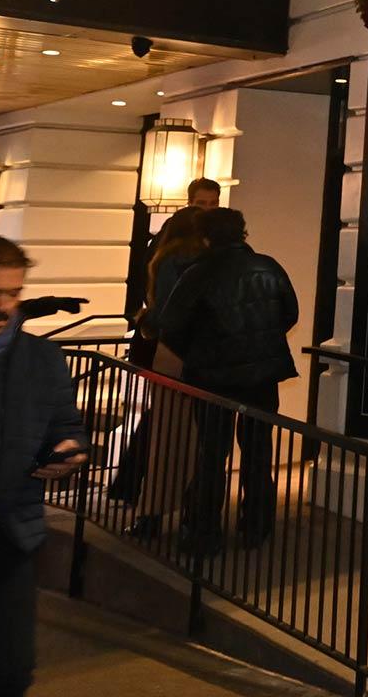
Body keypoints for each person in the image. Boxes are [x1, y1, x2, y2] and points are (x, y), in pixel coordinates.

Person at [0, 236, 87, 696]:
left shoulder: (42, 359)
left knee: (8, 670)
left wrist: (70, 451)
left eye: (13, 292)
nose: (4, 306)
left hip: (9, 533)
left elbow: (67, 426)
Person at [158, 207, 298, 553]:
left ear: (207, 237)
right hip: (262, 374)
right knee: (258, 450)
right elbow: (289, 313)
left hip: (213, 376)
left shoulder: (198, 274)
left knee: (212, 453)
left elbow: (171, 325)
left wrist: (198, 352)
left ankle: (205, 531)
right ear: (242, 233)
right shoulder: (269, 267)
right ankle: (256, 525)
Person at [112, 207, 211, 527]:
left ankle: (153, 510)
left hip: (167, 352)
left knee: (166, 435)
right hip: (192, 353)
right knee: (190, 437)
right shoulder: (198, 262)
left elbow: (160, 309)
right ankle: (184, 508)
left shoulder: (163, 259)